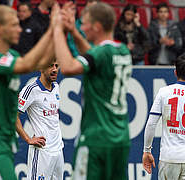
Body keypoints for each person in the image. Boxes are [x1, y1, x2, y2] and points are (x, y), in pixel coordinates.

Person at [0, 5, 54, 180]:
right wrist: (52, 30)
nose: (19, 29)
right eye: (14, 25)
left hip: (3, 141)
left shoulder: (13, 54)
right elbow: (25, 65)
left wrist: (61, 32)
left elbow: (39, 62)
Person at [52, 2, 132, 179]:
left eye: (85, 23)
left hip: (97, 137)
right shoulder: (123, 50)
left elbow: (67, 68)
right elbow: (94, 57)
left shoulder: (101, 53)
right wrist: (73, 32)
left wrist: (57, 30)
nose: (82, 27)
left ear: (97, 27)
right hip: (120, 136)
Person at [142, 53, 185, 180]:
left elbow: (151, 124)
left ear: (175, 72)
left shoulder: (164, 92)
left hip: (169, 157)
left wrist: (147, 150)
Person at [16, 59, 64, 180]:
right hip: (42, 151)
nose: (54, 70)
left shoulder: (56, 87)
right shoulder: (31, 90)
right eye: (50, 66)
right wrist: (27, 139)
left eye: (56, 66)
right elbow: (12, 115)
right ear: (41, 68)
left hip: (58, 150)